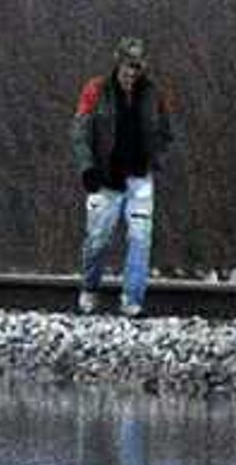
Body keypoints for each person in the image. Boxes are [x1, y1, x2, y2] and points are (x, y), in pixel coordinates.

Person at [74, 38, 172, 316]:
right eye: (128, 66)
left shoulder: (154, 94)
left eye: (137, 67)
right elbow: (80, 132)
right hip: (105, 178)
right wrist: (87, 168)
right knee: (98, 238)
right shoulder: (96, 90)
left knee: (140, 237)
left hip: (140, 177)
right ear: (117, 64)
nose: (132, 72)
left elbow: (166, 130)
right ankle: (90, 288)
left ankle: (132, 298)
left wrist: (157, 158)